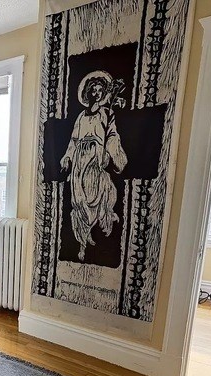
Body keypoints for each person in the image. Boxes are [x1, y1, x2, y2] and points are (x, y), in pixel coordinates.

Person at [61, 70, 128, 260]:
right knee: (79, 201)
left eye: (100, 90)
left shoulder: (107, 114)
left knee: (95, 197)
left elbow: (112, 136)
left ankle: (93, 237)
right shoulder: (81, 117)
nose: (96, 93)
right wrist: (67, 157)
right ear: (88, 93)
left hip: (96, 159)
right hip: (80, 162)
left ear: (103, 93)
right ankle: (82, 240)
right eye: (93, 90)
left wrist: (110, 154)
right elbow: (74, 139)